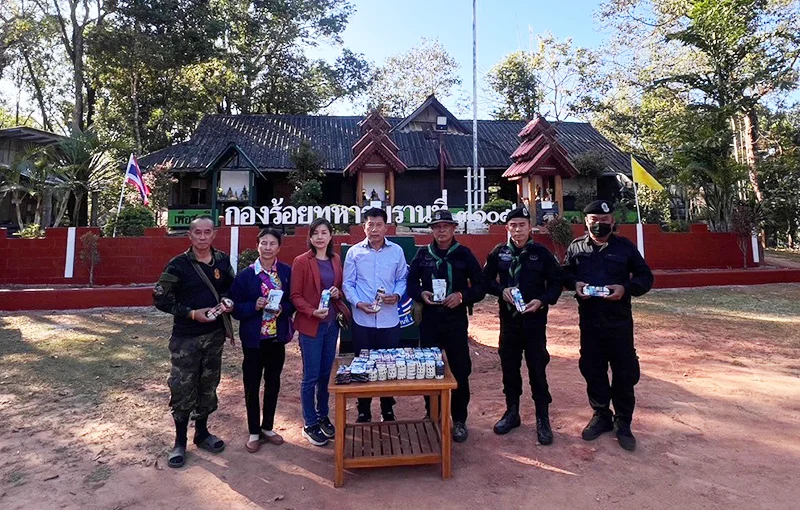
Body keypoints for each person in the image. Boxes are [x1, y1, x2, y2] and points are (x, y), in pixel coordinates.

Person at [562, 200, 654, 451]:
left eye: (604, 220)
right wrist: (575, 284)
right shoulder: (576, 247)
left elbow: (646, 276)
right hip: (589, 321)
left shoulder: (625, 247)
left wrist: (625, 288)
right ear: (586, 222)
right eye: (594, 220)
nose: (599, 224)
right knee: (592, 368)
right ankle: (601, 414)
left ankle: (623, 421)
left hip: (619, 321)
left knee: (624, 371)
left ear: (612, 222)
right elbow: (565, 273)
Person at [153, 215, 235, 468]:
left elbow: (231, 288)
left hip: (214, 336)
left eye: (207, 232)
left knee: (208, 384)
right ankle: (179, 442)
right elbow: (160, 299)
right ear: (189, 235)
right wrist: (191, 313)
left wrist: (228, 302)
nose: (202, 237)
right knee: (182, 387)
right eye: (197, 232)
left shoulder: (222, 261)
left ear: (214, 234)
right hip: (186, 338)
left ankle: (202, 433)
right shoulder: (178, 265)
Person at [483, 206, 563, 445]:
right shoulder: (499, 253)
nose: (517, 230)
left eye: (522, 225)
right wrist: (501, 290)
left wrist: (542, 300)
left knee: (537, 369)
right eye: (513, 225)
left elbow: (556, 283)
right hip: (509, 322)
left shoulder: (542, 253)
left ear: (530, 227)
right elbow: (485, 280)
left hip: (534, 322)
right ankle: (512, 412)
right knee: (509, 368)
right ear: (507, 228)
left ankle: (542, 418)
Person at [407, 209, 485, 443]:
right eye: (437, 227)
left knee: (460, 369)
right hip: (430, 320)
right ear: (432, 230)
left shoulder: (464, 254)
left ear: (453, 228)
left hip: (455, 320)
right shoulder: (423, 255)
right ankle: (432, 414)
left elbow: (480, 285)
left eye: (445, 226)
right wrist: (421, 294)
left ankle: (459, 419)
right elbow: (410, 283)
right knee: (429, 369)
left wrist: (461, 296)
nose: (441, 230)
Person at [228, 228, 294, 453]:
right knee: (252, 384)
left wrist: (282, 309)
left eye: (272, 243)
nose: (267, 247)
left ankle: (268, 427)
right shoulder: (246, 276)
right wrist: (253, 306)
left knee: (273, 383)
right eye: (263, 243)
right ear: (257, 245)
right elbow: (235, 308)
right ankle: (254, 431)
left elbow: (293, 302)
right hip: (254, 340)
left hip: (276, 338)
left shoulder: (285, 272)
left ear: (279, 247)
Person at [343, 207, 408, 422]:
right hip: (362, 320)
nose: (374, 229)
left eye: (379, 225)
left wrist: (397, 295)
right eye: (370, 225)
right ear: (364, 227)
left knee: (388, 365)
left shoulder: (396, 251)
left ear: (386, 227)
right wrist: (358, 303)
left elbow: (402, 279)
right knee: (362, 364)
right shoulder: (354, 252)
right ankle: (363, 409)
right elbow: (348, 284)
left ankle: (387, 408)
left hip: (389, 320)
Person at [291, 218, 350, 446]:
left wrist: (337, 292)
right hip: (311, 325)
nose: (319, 237)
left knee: (326, 374)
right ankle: (310, 423)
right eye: (315, 233)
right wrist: (311, 311)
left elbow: (340, 288)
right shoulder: (301, 261)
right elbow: (295, 296)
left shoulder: (335, 259)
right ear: (310, 236)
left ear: (330, 235)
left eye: (324, 232)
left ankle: (322, 415)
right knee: (311, 376)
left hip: (331, 325)